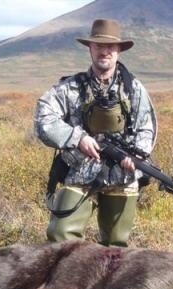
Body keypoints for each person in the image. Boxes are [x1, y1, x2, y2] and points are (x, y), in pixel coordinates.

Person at [35, 18, 157, 247]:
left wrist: (137, 156)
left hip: (123, 176)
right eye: (99, 46)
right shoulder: (70, 87)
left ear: (119, 50)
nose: (104, 51)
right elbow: (44, 118)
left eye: (110, 46)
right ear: (90, 48)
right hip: (80, 171)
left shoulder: (135, 89)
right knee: (61, 238)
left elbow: (146, 127)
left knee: (116, 248)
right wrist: (77, 138)